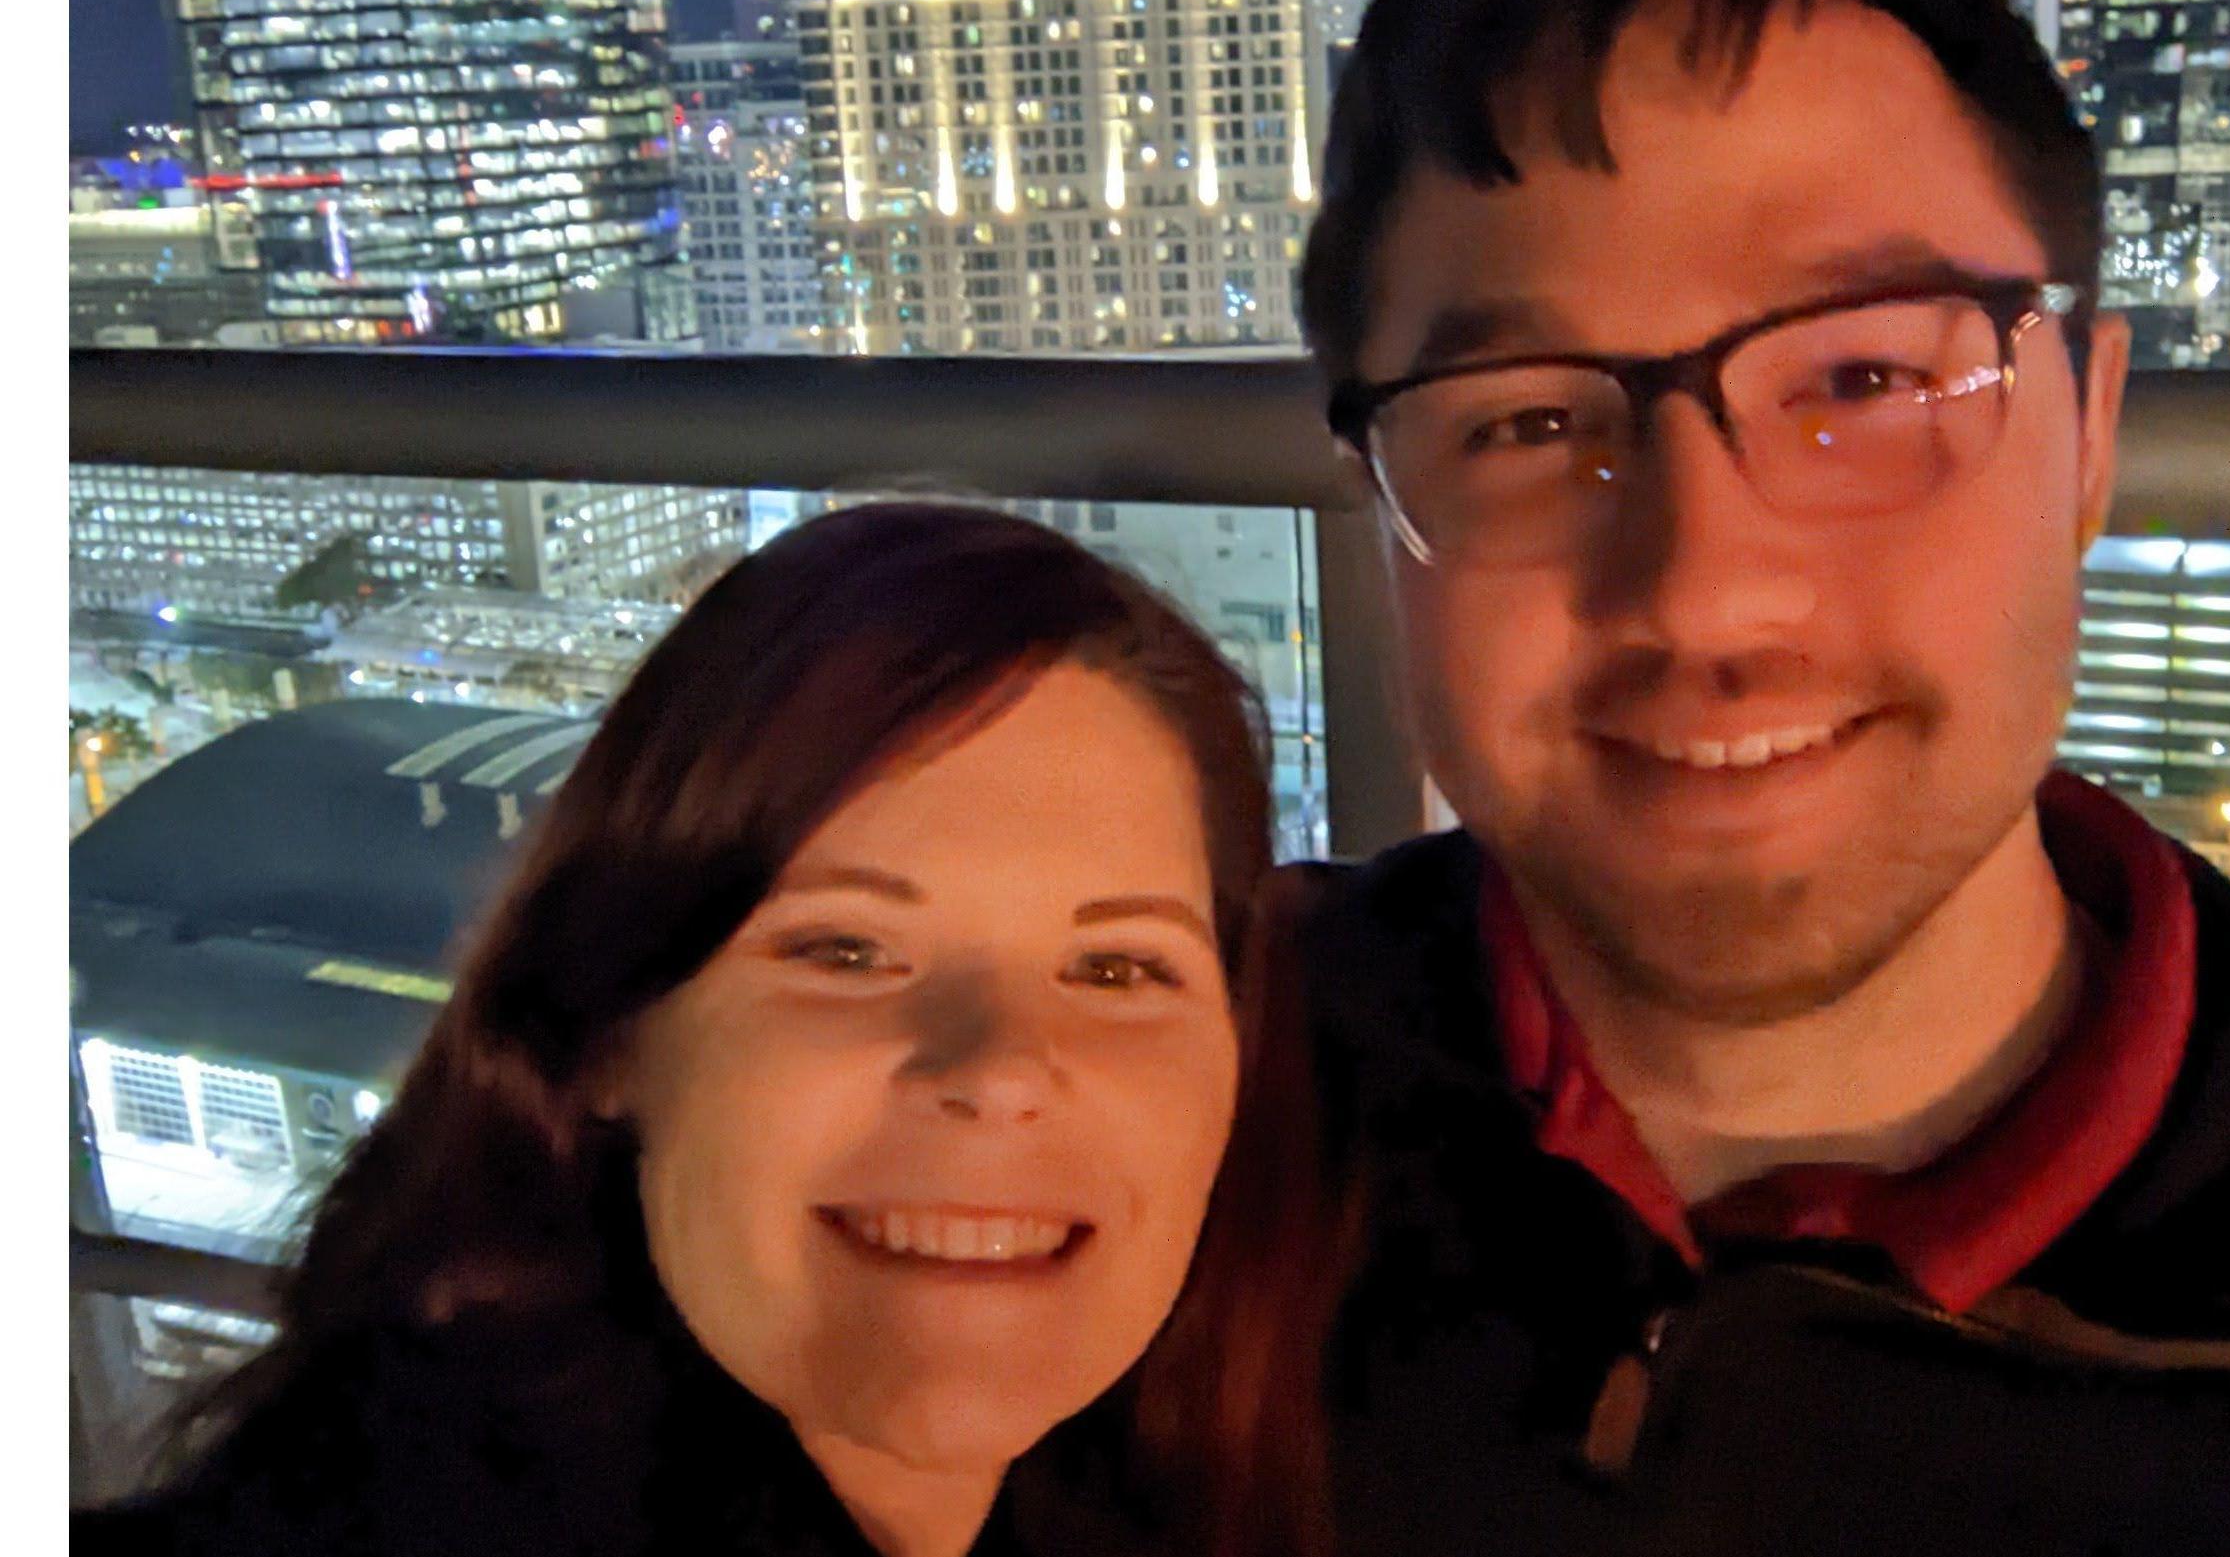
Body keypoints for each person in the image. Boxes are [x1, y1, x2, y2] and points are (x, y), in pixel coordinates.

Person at [1282, 0, 2230, 1556]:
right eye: (1527, 419)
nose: (1702, 585)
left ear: (2086, 427)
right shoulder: (1138, 1152)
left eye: (1861, 377)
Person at [77, 500, 1316, 1557]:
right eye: (846, 950)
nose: (998, 1068)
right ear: (613, 1025)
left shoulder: (1233, 1468)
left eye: (1113, 965)